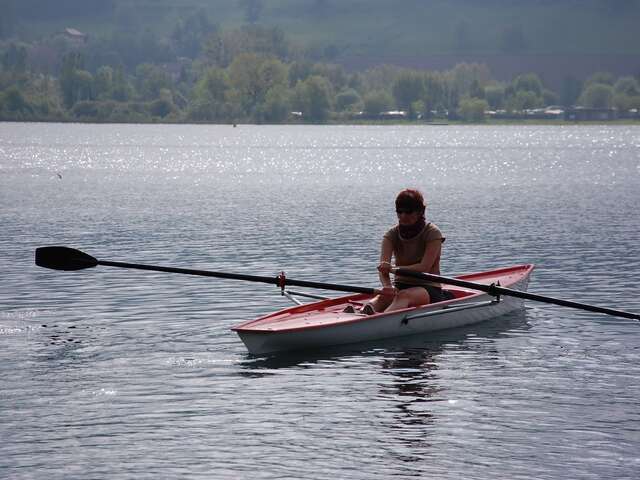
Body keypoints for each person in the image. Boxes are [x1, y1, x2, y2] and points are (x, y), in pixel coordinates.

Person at [348, 189, 447, 315]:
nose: (403, 216)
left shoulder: (433, 233)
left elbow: (424, 267)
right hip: (400, 285)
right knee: (384, 296)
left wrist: (393, 269)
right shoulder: (391, 235)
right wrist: (387, 286)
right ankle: (362, 313)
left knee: (403, 296)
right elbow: (383, 268)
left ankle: (379, 322)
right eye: (399, 212)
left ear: (420, 212)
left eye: (408, 212)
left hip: (428, 287)